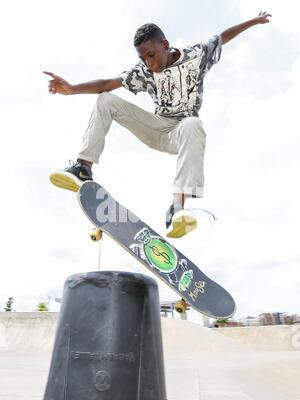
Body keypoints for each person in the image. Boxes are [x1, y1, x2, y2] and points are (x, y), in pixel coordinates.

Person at [44, 11, 271, 238]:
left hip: (181, 133)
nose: (149, 63)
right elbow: (109, 83)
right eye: (144, 59)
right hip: (155, 128)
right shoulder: (143, 71)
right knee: (106, 99)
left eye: (152, 55)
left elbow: (222, 37)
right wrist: (72, 89)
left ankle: (177, 209)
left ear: (165, 44)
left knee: (193, 124)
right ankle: (83, 168)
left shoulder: (196, 56)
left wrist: (254, 21)